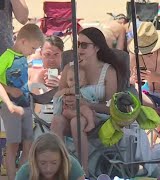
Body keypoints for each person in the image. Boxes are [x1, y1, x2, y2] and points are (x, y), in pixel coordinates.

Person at [50, 27, 127, 176]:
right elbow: (58, 94)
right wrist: (67, 96)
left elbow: (111, 107)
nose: (79, 48)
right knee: (57, 121)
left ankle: (82, 173)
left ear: (97, 47)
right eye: (78, 44)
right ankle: (60, 170)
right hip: (70, 112)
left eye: (84, 45)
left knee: (76, 122)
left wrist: (87, 105)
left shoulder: (108, 71)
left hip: (97, 117)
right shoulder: (70, 68)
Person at [0, 23, 44, 180]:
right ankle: (12, 177)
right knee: (12, 144)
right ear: (23, 41)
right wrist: (10, 91)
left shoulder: (24, 58)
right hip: (9, 105)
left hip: (25, 104)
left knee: (28, 143)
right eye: (33, 48)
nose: (33, 53)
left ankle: (21, 175)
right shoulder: (6, 57)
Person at [16, 133, 85, 180]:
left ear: (62, 159)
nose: (48, 169)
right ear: (34, 160)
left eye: (54, 163)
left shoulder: (71, 166)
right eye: (43, 163)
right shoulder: (25, 172)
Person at [53, 66, 95, 133]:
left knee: (85, 109)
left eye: (78, 80)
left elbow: (91, 98)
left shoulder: (85, 90)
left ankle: (90, 123)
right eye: (71, 80)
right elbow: (56, 97)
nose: (74, 82)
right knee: (65, 112)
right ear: (67, 81)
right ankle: (79, 116)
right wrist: (66, 91)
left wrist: (80, 94)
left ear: (84, 82)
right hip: (69, 113)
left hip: (81, 112)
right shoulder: (65, 91)